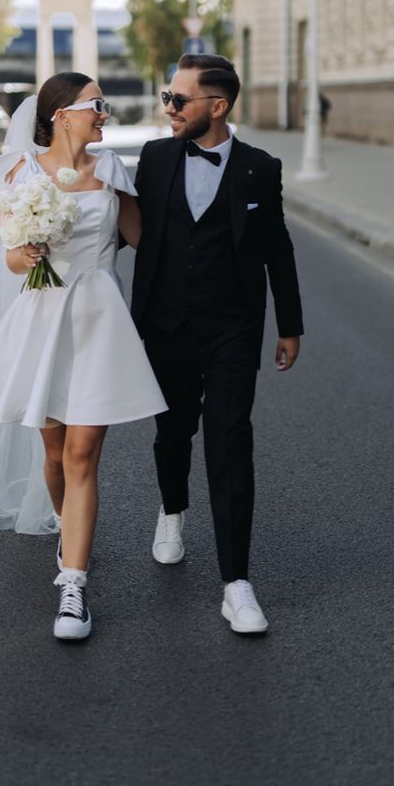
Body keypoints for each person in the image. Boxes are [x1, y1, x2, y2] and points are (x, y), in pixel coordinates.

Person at [0, 73, 166, 642]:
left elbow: (143, 240)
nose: (106, 113)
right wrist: (24, 252)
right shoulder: (18, 175)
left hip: (100, 317)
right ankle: (64, 525)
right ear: (61, 114)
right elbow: (9, 261)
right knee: (53, 452)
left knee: (81, 455)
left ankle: (73, 586)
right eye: (97, 104)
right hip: (42, 319)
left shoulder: (113, 171)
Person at [131, 53, 303, 634]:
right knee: (173, 430)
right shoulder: (154, 159)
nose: (169, 109)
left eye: (179, 100)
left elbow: (277, 246)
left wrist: (290, 324)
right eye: (167, 97)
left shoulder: (260, 166)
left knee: (230, 441)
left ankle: (237, 583)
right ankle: (173, 510)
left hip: (232, 325)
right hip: (166, 323)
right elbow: (117, 221)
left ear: (217, 106)